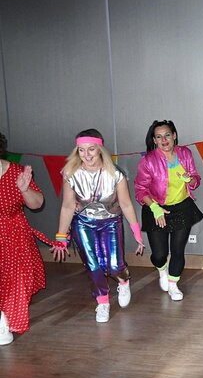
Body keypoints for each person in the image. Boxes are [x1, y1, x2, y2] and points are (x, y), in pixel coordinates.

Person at [52, 129, 145, 323]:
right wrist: (61, 236)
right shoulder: (70, 173)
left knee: (114, 265)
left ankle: (123, 281)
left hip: (111, 221)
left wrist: (137, 232)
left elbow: (126, 204)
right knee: (93, 265)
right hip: (83, 222)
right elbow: (68, 206)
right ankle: (102, 301)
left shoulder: (115, 174)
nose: (86, 155)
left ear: (100, 149)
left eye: (91, 149)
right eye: (81, 150)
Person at [135, 120, 203, 302]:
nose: (164, 140)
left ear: (174, 136)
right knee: (159, 255)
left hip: (182, 207)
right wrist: (155, 208)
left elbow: (196, 179)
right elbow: (140, 190)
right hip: (156, 208)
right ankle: (161, 269)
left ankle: (173, 285)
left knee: (178, 250)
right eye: (159, 137)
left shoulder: (185, 154)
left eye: (167, 135)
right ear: (154, 140)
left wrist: (190, 180)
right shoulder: (148, 161)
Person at [0, 133, 48, 345]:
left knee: (15, 282)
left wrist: (25, 189)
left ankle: (5, 321)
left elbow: (37, 204)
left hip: (14, 235)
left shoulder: (16, 172)